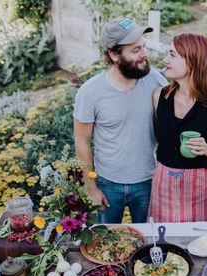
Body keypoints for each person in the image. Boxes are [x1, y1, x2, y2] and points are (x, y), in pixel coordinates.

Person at [73, 17, 167, 224]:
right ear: (114, 54)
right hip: (108, 183)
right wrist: (90, 187)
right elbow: (81, 141)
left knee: (149, 242)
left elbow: (185, 103)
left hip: (149, 181)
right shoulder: (90, 92)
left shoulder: (156, 80)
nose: (144, 54)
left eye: (143, 47)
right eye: (135, 50)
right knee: (107, 242)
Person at [148, 33, 207, 222]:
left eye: (172, 55)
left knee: (200, 243)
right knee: (163, 242)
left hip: (199, 188)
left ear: (193, 61)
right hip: (163, 183)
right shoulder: (158, 97)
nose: (165, 59)